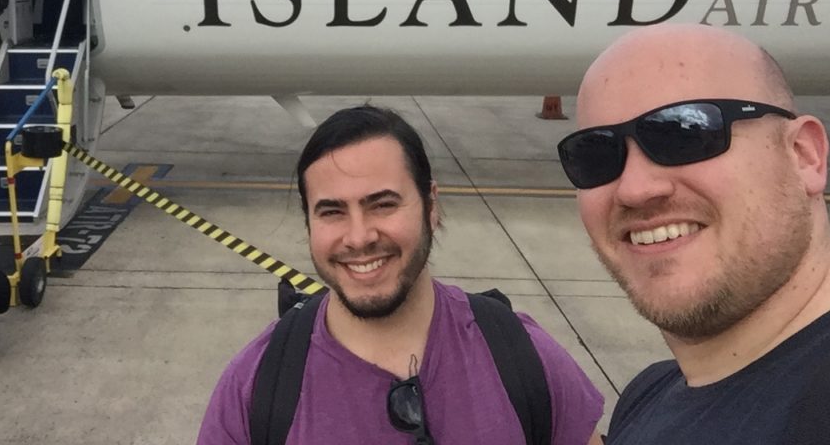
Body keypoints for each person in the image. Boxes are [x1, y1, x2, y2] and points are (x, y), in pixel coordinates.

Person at [198, 104, 604, 444]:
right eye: (332, 211)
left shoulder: (524, 357)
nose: (358, 237)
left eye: (383, 204)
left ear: (431, 206)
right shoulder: (256, 389)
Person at [557, 24, 830, 443]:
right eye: (596, 153)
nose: (635, 188)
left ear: (804, 155)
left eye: (685, 132)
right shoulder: (650, 393)